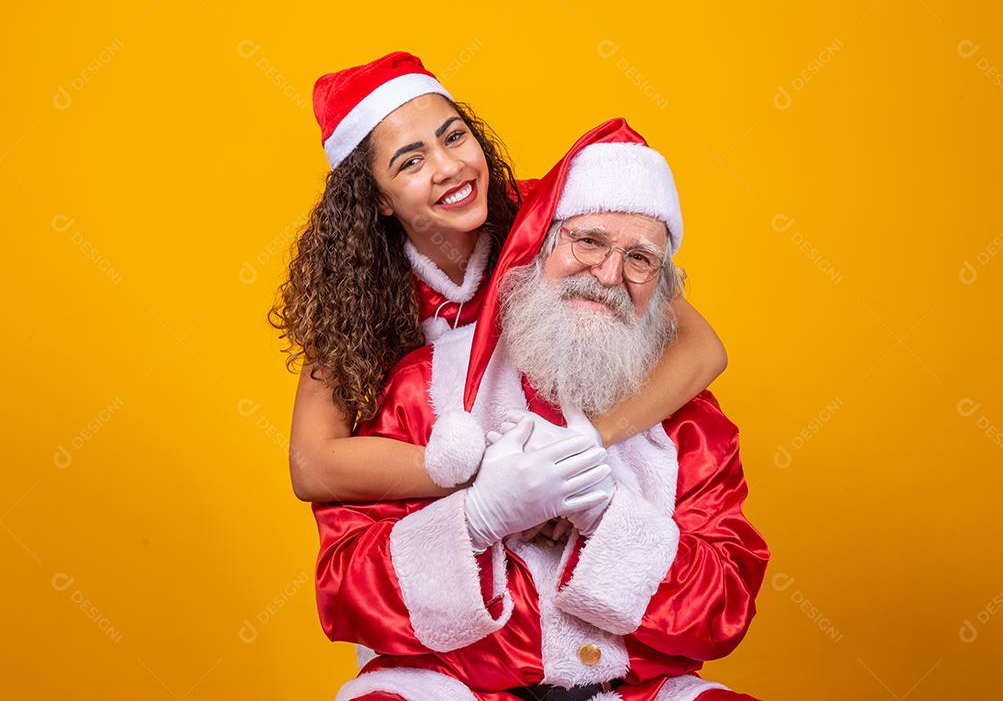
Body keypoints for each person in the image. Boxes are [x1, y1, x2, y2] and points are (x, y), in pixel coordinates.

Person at [312, 119, 770, 701]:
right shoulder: (421, 390)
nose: (608, 275)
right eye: (587, 241)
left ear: (662, 284)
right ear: (536, 246)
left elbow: (726, 608)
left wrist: (608, 514)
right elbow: (346, 589)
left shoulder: (688, 420)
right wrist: (479, 515)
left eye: (640, 259)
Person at [270, 52, 729, 509]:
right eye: (410, 162)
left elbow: (702, 348)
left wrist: (583, 445)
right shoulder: (353, 289)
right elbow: (312, 463)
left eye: (454, 137)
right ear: (378, 199)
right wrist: (480, 477)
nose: (448, 166)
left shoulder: (554, 220)